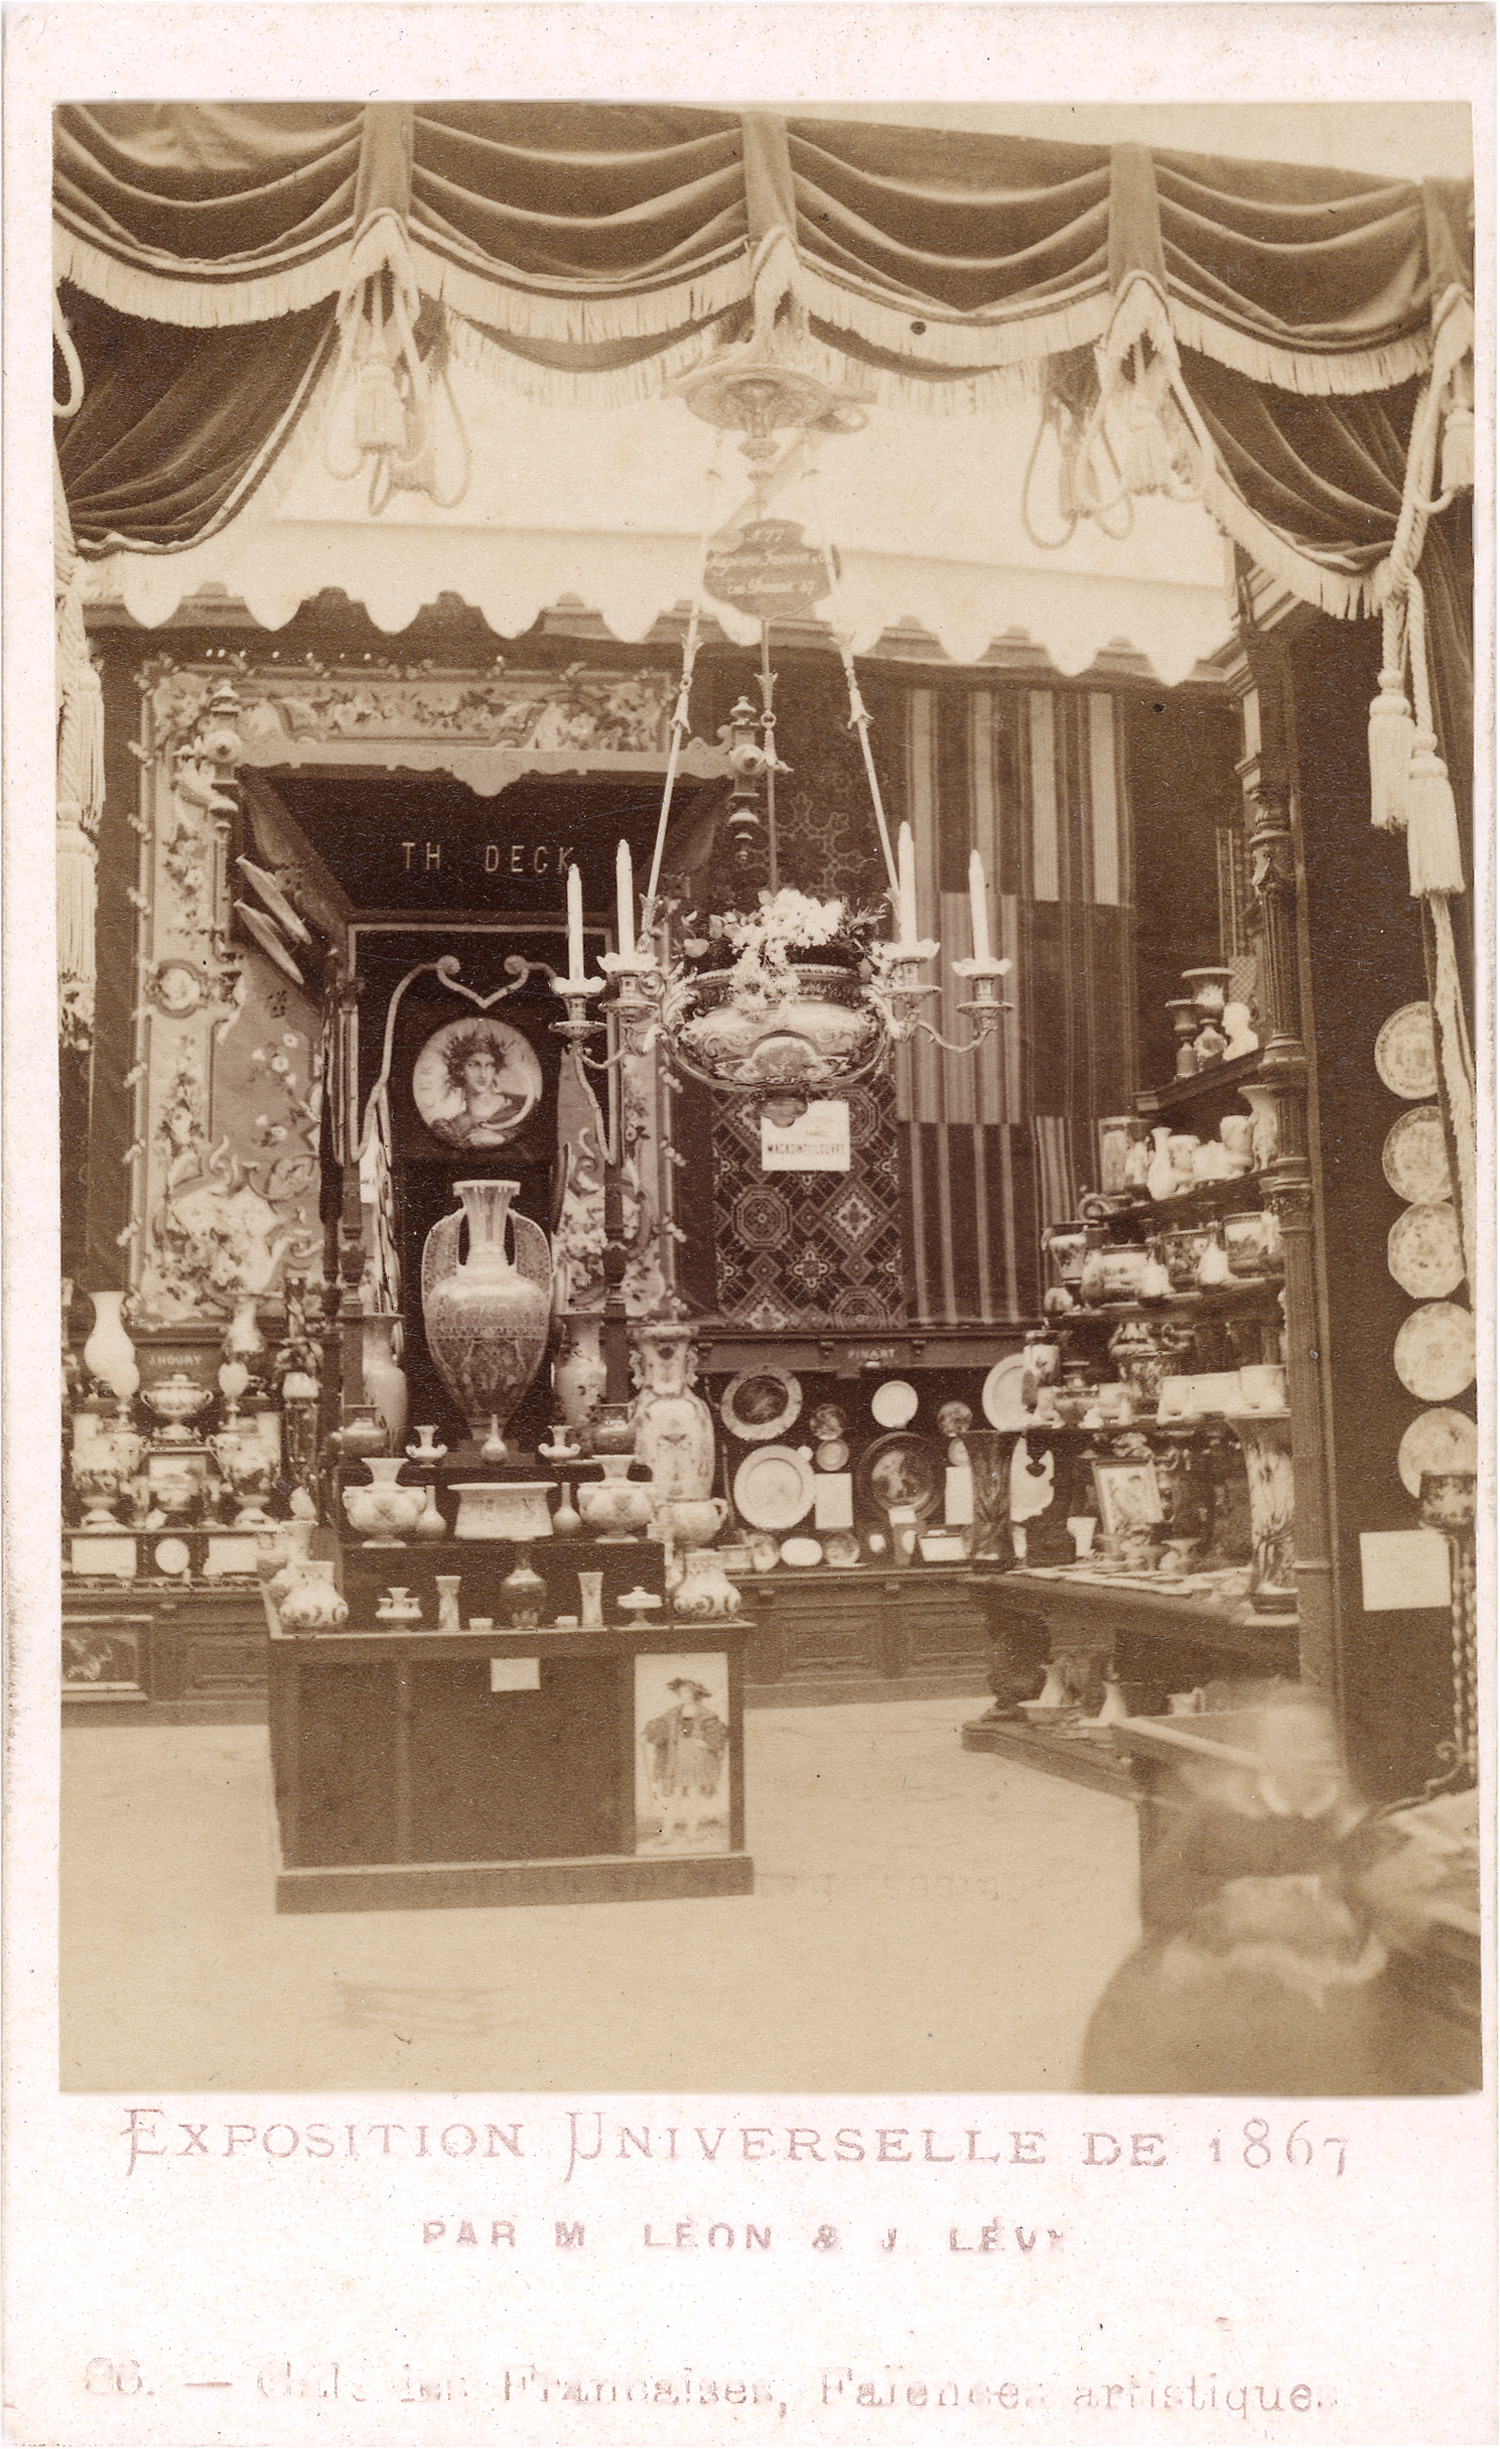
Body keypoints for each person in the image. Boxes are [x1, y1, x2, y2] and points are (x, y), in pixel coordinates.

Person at [1080, 1684, 1430, 2095]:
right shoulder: (1218, 1811)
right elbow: (1158, 1890)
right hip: (1222, 1964)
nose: (1318, 1752)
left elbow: (1379, 1903)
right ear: (1266, 1753)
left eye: (1325, 1739)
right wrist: (1233, 1905)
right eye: (1298, 1741)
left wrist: (1348, 1904)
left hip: (1323, 1975)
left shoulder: (1352, 1819)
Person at [641, 1678, 728, 1841]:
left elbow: (718, 1733)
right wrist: (648, 1733)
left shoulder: (706, 1714)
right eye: (681, 1692)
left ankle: (692, 1832)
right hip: (677, 1757)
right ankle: (667, 1834)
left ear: (694, 1694)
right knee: (675, 1796)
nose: (683, 1695)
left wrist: (706, 1743)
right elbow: (660, 1725)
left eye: (687, 1692)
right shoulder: (673, 1713)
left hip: (697, 1758)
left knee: (695, 1795)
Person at [428, 1028, 529, 1148]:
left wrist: (500, 1140)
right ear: (460, 1070)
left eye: (489, 1065)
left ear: (496, 1069)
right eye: (473, 1065)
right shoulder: (453, 1129)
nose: (483, 1074)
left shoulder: (523, 1108)